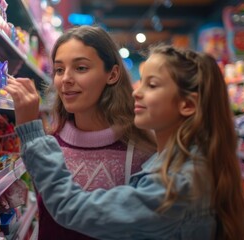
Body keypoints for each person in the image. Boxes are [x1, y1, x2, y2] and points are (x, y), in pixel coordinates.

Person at [5, 45, 244, 239]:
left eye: (151, 85)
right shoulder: (174, 162)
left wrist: (32, 131)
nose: (136, 92)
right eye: (59, 69)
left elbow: (72, 208)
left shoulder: (177, 183)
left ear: (187, 105)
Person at [28, 25, 156, 239]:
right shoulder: (47, 147)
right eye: (59, 70)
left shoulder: (143, 153)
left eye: (81, 68)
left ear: (113, 74)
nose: (66, 79)